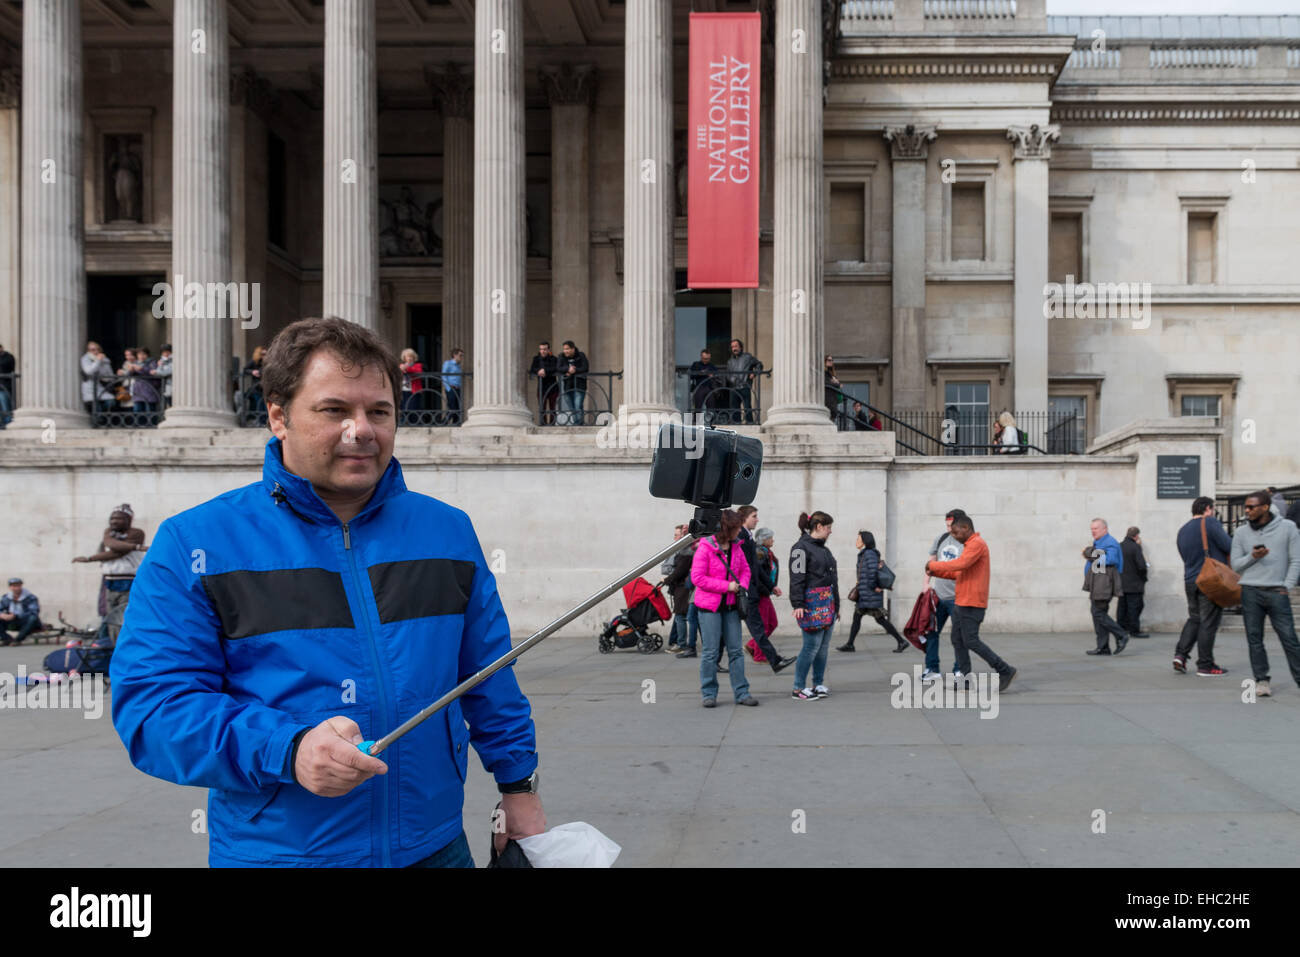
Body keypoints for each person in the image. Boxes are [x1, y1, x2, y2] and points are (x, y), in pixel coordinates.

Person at [110, 317, 544, 867]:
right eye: (334, 409)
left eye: (379, 411)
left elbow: (488, 676)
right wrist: (287, 750)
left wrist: (519, 790)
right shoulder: (195, 542)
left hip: (436, 848)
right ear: (277, 416)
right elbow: (153, 709)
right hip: (279, 856)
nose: (361, 429)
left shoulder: (448, 530)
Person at [925, 514, 1016, 691]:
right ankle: (965, 679)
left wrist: (934, 565)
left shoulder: (977, 544)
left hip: (972, 603)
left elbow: (961, 564)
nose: (954, 536)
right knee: (957, 640)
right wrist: (935, 572)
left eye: (956, 532)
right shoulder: (969, 545)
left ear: (966, 528)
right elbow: (959, 573)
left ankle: (1005, 670)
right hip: (962, 601)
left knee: (971, 640)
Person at [1230, 489, 1300, 695]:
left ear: (1265, 507)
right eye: (1246, 506)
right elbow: (1236, 566)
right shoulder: (1241, 532)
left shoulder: (1287, 528)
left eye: (1251, 507)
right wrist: (1253, 556)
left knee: (1289, 638)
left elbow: (1296, 559)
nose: (1247, 510)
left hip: (1277, 591)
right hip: (1250, 591)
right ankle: (1261, 680)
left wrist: (1287, 585)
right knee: (1254, 638)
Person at [691, 509, 758, 708]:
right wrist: (726, 586)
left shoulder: (737, 547)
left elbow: (745, 569)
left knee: (736, 650)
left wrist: (742, 585)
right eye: (736, 528)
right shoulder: (705, 548)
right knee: (710, 652)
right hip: (710, 608)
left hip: (731, 606)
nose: (739, 531)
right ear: (726, 529)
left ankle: (742, 692)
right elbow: (698, 578)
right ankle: (709, 693)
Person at [1174, 496, 1232, 676]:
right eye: (1212, 509)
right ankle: (1205, 665)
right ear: (1207, 508)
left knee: (1195, 618)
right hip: (1209, 579)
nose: (1213, 512)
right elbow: (1228, 545)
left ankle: (1180, 655)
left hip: (1190, 580)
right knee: (1209, 622)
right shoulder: (1210, 523)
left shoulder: (1182, 530)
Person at [72, 504, 148, 642]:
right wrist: (136, 547)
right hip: (109, 581)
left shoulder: (136, 533)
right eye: (112, 518)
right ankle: (113, 648)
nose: (114, 521)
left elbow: (116, 552)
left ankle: (128, 646)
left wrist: (90, 558)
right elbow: (111, 546)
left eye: (118, 519)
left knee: (125, 617)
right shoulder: (109, 533)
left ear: (128, 520)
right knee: (110, 617)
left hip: (128, 581)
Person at [736, 506, 795, 673]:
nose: (757, 519)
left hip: (751, 591)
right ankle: (774, 660)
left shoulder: (747, 537)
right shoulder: (740, 536)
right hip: (746, 592)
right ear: (744, 518)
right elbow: (747, 567)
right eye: (754, 516)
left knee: (757, 628)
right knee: (757, 629)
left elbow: (756, 568)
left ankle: (774, 660)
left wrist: (771, 586)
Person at [788, 510, 839, 701]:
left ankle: (818, 683)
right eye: (828, 528)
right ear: (818, 527)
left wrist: (837, 606)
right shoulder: (800, 548)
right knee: (811, 647)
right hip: (811, 604)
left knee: (823, 648)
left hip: (828, 604)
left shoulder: (824, 549)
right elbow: (796, 577)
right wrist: (798, 604)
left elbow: (833, 579)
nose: (830, 532)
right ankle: (798, 687)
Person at [839, 530, 908, 652]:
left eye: (859, 539)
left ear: (865, 541)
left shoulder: (869, 554)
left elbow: (872, 573)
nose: (857, 541)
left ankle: (901, 641)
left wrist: (871, 586)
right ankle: (850, 644)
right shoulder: (865, 554)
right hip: (866, 594)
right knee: (858, 617)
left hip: (869, 593)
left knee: (879, 619)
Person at [921, 509, 965, 683]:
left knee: (959, 635)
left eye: (951, 526)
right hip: (938, 596)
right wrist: (925, 584)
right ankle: (932, 669)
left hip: (958, 597)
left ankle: (959, 670)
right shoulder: (941, 539)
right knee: (931, 632)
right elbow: (931, 563)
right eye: (946, 525)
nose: (948, 529)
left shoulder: (967, 543)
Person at [1082, 518, 1128, 656]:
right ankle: (1103, 647)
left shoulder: (1110, 542)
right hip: (1097, 583)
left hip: (1103, 584)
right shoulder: (1099, 542)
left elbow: (1111, 559)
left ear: (1104, 529)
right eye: (1091, 529)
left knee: (1098, 613)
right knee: (1097, 614)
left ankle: (1121, 635)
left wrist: (1090, 553)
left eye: (1095, 528)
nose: (1093, 531)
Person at [661, 524, 693, 654]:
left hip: (682, 587)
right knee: (681, 615)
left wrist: (667, 580)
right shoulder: (683, 551)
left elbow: (679, 571)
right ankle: (676, 642)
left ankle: (681, 645)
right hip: (680, 586)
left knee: (681, 616)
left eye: (677, 535)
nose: (674, 538)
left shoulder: (685, 552)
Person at [1118, 526, 1149, 639]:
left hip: (1121, 583)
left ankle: (1121, 628)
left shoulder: (1119, 546)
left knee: (1122, 607)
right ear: (1136, 536)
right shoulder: (1135, 547)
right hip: (1134, 584)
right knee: (1135, 607)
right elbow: (1142, 566)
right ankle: (1134, 630)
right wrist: (1143, 577)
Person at [753, 527, 781, 644]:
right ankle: (759, 654)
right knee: (764, 625)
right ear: (763, 539)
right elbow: (758, 575)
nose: (772, 540)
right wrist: (766, 589)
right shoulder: (759, 552)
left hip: (766, 592)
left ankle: (752, 646)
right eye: (770, 538)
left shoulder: (768, 552)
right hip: (760, 593)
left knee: (772, 623)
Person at [725, 339, 759, 425]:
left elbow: (759, 364)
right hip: (734, 387)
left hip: (745, 385)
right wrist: (733, 380)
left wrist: (754, 373)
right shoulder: (730, 361)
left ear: (741, 347)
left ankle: (750, 423)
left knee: (747, 406)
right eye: (732, 347)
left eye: (736, 346)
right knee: (734, 408)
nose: (734, 348)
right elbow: (728, 374)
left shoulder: (747, 357)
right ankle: (736, 424)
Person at [0, 576, 41, 646]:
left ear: (21, 586)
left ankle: (18, 640)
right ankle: (7, 639)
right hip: (11, 620)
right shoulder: (6, 598)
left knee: (32, 618)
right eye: (14, 586)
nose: (16, 588)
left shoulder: (30, 597)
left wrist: (16, 615)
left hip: (24, 621)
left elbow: (34, 611)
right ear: (10, 587)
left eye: (18, 586)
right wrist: (2, 615)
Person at [558, 340, 589, 426]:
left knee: (578, 405)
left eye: (567, 349)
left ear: (573, 349)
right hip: (568, 385)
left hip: (580, 384)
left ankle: (577, 424)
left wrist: (574, 370)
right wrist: (567, 370)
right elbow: (559, 368)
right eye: (564, 349)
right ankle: (580, 422)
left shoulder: (581, 355)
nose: (565, 351)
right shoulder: (561, 356)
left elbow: (585, 367)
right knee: (572, 407)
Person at [528, 341, 560, 424]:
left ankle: (552, 423)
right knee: (542, 407)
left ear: (548, 350)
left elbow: (556, 368)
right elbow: (532, 369)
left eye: (545, 349)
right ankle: (543, 423)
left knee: (553, 407)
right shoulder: (536, 359)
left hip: (553, 386)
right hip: (542, 387)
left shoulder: (554, 359)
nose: (542, 351)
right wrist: (538, 371)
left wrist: (545, 371)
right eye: (541, 349)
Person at [80, 341, 114, 416]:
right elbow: (89, 371)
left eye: (97, 349)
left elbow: (109, 375)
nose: (95, 351)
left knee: (111, 401)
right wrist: (98, 361)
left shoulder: (104, 360)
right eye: (92, 350)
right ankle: (99, 421)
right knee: (96, 406)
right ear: (88, 351)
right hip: (89, 388)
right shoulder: (85, 359)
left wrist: (104, 362)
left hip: (100, 386)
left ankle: (103, 417)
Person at [688, 349, 720, 414]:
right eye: (704, 358)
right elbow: (691, 376)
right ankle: (697, 422)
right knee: (698, 407)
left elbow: (717, 377)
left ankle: (710, 422)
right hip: (699, 388)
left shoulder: (712, 366)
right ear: (701, 357)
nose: (706, 360)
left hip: (710, 388)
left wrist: (712, 376)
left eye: (708, 359)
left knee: (711, 407)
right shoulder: (696, 364)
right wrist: (700, 373)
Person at [399, 348, 426, 421]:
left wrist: (406, 368)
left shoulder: (418, 365)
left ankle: (413, 422)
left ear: (414, 358)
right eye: (408, 356)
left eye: (411, 356)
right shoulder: (401, 366)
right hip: (404, 389)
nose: (410, 358)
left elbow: (417, 371)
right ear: (404, 358)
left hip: (414, 390)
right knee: (404, 407)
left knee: (413, 407)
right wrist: (402, 368)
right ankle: (404, 421)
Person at [243, 345, 268, 418]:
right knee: (258, 405)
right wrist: (252, 372)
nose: (264, 356)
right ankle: (260, 421)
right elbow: (245, 370)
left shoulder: (267, 363)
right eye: (263, 354)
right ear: (259, 354)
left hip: (266, 388)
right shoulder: (254, 362)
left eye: (266, 354)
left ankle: (265, 422)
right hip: (256, 388)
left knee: (266, 406)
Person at [441, 348, 464, 421]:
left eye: (462, 356)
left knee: (457, 407)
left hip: (458, 388)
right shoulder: (448, 363)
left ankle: (456, 423)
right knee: (452, 407)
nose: (461, 358)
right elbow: (443, 375)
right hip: (451, 388)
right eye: (460, 355)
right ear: (455, 355)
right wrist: (448, 388)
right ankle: (443, 422)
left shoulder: (458, 366)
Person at [824, 355, 842, 425]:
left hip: (833, 401)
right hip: (828, 401)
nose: (831, 362)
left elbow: (838, 384)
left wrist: (836, 382)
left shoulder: (831, 373)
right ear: (825, 362)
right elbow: (826, 383)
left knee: (832, 419)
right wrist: (837, 383)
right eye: (829, 360)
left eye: (832, 360)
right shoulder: (824, 373)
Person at [0, 342, 14, 427]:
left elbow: (5, 365)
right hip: (2, 386)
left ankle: (7, 422)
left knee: (5, 404)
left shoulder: (8, 357)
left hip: (5, 387)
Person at [157, 344, 174, 409]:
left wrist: (160, 367)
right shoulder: (162, 360)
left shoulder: (173, 360)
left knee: (172, 403)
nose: (165, 354)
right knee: (168, 403)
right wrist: (160, 367)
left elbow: (167, 372)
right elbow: (158, 373)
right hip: (165, 386)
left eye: (167, 352)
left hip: (172, 385)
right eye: (163, 352)